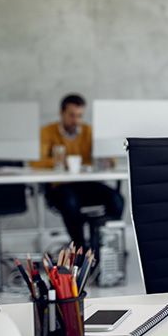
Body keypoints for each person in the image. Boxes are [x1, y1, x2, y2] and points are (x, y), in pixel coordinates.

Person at [31, 94, 124, 249]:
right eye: (72, 115)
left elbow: (109, 157)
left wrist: (107, 159)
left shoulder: (88, 131)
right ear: (62, 114)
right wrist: (62, 163)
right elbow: (35, 161)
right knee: (70, 201)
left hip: (87, 185)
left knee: (117, 200)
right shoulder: (47, 132)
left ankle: (103, 244)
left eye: (80, 115)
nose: (76, 120)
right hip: (60, 187)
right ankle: (80, 248)